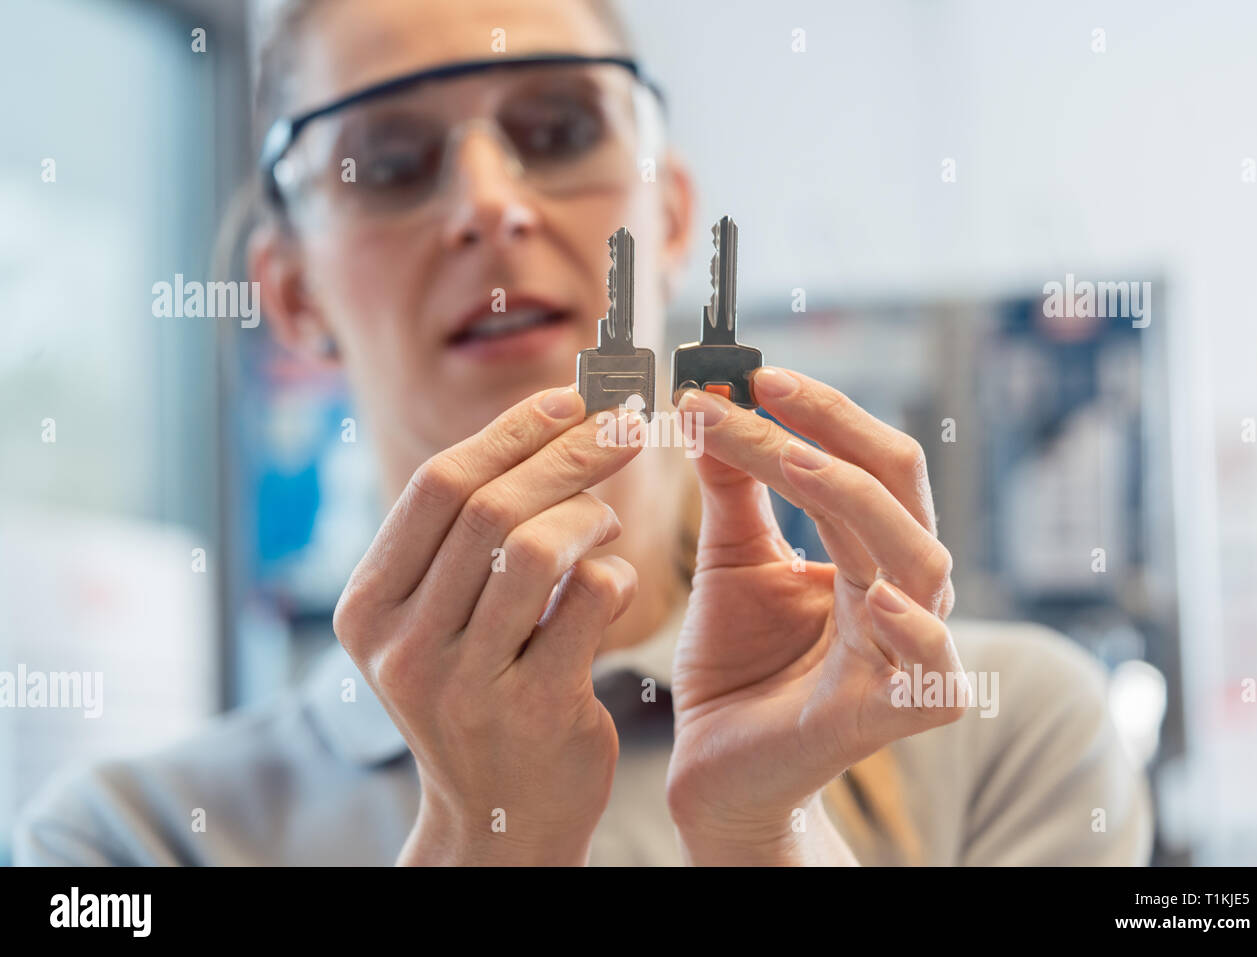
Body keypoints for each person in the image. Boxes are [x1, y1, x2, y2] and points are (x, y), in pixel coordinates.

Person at [14, 0, 1152, 866]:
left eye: (556, 130)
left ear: (663, 215)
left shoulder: (997, 723)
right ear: (294, 293)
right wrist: (480, 836)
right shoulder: (135, 837)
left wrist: (764, 829)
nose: (490, 203)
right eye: (391, 162)